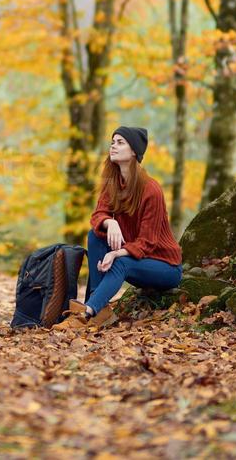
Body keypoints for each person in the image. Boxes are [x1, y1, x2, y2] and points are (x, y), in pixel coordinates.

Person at [53, 125, 182, 333]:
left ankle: (87, 312)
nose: (113, 146)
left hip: (164, 266)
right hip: (135, 258)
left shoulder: (151, 190)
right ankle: (97, 308)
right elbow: (97, 216)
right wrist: (110, 222)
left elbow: (147, 244)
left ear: (134, 152)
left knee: (120, 261)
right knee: (95, 235)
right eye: (112, 142)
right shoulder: (113, 182)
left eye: (120, 142)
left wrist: (115, 253)